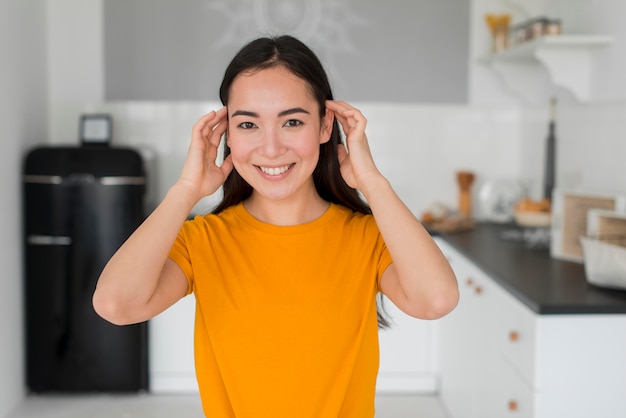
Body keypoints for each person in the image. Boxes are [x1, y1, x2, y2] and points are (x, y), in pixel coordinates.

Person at [93, 35, 459, 417]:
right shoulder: (203, 240)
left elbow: (435, 300)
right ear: (227, 135)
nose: (270, 148)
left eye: (293, 121)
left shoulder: (366, 237)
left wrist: (372, 180)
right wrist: (186, 190)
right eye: (248, 124)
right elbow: (116, 304)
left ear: (324, 126)